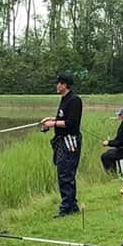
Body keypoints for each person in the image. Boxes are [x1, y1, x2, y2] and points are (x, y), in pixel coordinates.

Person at [41, 74, 83, 217]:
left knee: (66, 173)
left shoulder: (74, 100)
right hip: (61, 140)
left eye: (58, 83)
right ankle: (72, 206)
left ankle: (66, 208)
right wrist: (50, 121)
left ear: (64, 85)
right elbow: (62, 118)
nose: (57, 86)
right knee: (63, 173)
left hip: (70, 141)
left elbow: (71, 123)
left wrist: (52, 123)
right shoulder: (65, 99)